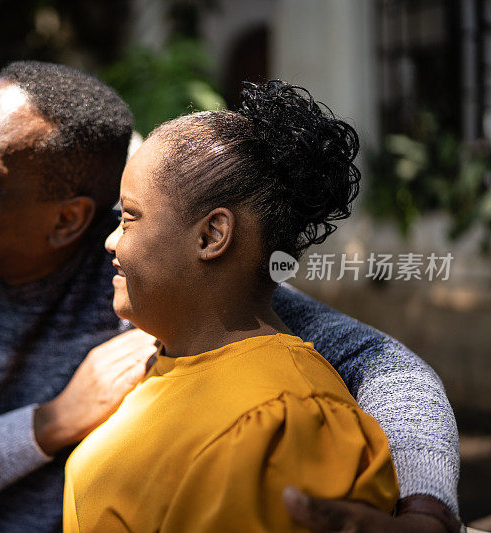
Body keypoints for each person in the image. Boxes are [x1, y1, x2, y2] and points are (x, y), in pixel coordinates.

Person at [0, 62, 461, 533]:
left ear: (69, 221)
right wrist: (51, 422)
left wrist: (426, 513)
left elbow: (387, 372)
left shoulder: (151, 277)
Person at [64, 80, 399, 531]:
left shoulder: (289, 423)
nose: (110, 241)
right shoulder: (164, 360)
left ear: (211, 236)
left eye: (128, 218)